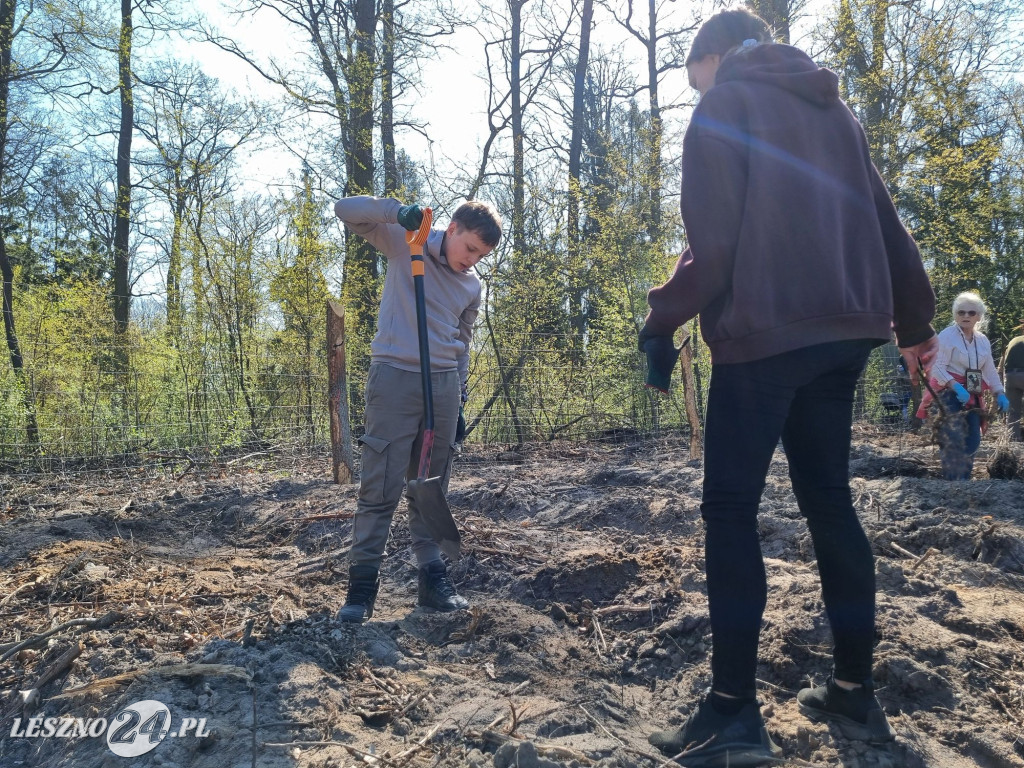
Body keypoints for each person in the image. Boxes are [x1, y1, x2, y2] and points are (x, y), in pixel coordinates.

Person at [638, 8, 937, 765]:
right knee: (829, 501)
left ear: (710, 58)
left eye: (690, 75)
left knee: (731, 507)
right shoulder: (833, 107)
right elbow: (885, 217)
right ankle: (854, 691)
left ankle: (734, 710)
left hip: (768, 332)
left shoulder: (724, 107)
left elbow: (717, 246)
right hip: (846, 330)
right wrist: (917, 324)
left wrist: (661, 320)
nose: (693, 87)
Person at [333, 196, 502, 623]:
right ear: (454, 227)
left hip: (443, 386)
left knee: (430, 487)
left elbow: (462, 345)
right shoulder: (406, 241)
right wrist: (395, 212)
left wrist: (460, 396)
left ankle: (432, 579)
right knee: (381, 484)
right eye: (470, 249)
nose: (472, 260)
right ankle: (361, 588)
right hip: (394, 377)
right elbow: (345, 211)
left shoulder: (472, 286)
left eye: (482, 256)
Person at [918, 292, 1010, 479]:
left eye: (971, 312)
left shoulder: (982, 340)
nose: (966, 316)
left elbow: (990, 370)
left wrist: (999, 392)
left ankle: (964, 480)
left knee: (973, 439)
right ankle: (953, 481)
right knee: (953, 437)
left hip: (972, 393)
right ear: (955, 315)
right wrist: (955, 386)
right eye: (961, 312)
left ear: (979, 316)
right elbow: (936, 367)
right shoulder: (947, 336)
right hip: (947, 394)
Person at [999, 323, 1024, 442]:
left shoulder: (1013, 340)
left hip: (1009, 376)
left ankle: (1014, 439)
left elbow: (1001, 365)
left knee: (1013, 411)